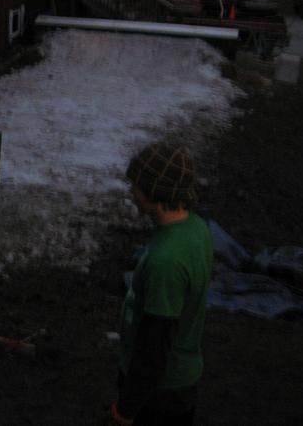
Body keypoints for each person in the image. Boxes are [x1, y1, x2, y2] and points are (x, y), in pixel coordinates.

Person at [107, 142, 213, 426]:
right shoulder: (197, 228)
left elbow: (154, 350)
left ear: (156, 191)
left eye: (137, 186)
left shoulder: (165, 262)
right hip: (182, 381)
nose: (132, 193)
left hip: (158, 396)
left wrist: (125, 410)